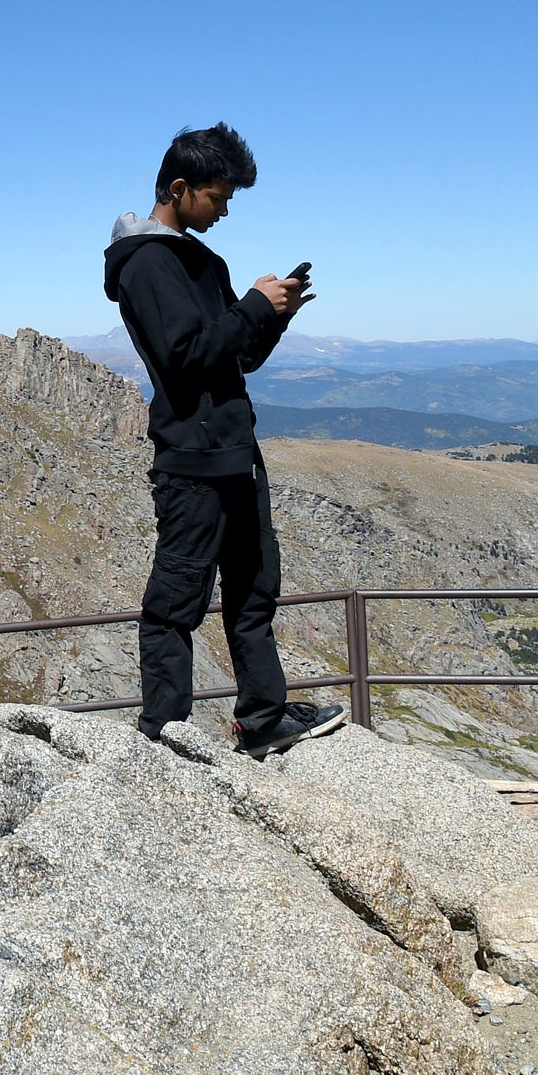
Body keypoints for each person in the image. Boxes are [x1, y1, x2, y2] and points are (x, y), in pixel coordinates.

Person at [101, 123, 344, 756]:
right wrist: (253, 307)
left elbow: (236, 358)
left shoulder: (207, 263)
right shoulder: (146, 264)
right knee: (175, 604)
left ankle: (261, 721)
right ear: (179, 188)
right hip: (193, 464)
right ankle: (165, 738)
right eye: (218, 197)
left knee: (254, 590)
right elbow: (183, 358)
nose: (225, 210)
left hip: (237, 455)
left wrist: (274, 317)